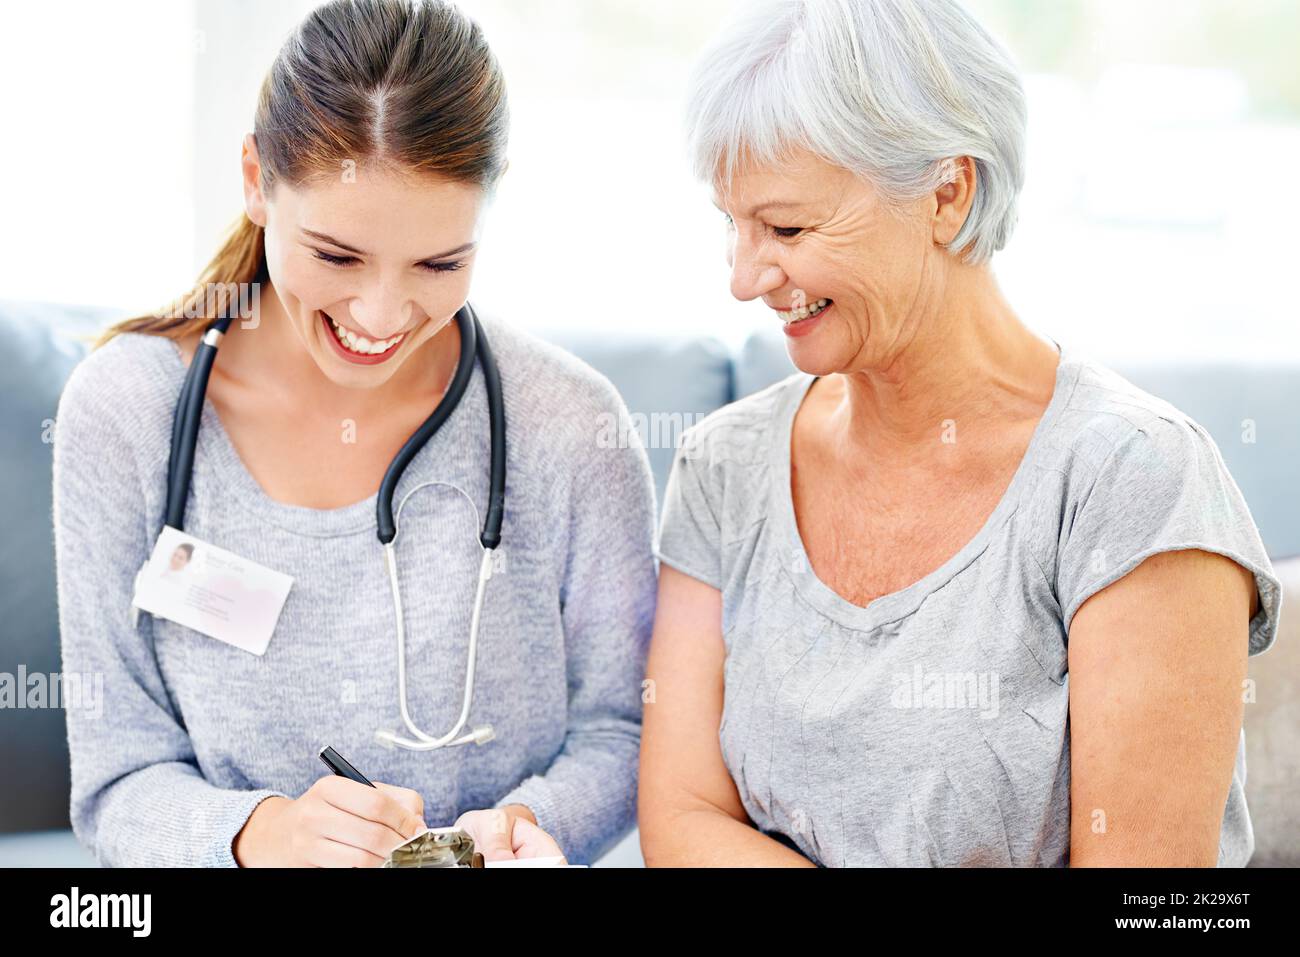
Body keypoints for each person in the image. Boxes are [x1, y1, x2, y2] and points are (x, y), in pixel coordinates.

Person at [639, 0, 1282, 867]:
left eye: (786, 227)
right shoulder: (723, 465)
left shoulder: (1132, 480)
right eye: (733, 223)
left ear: (948, 193)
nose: (745, 277)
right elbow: (679, 818)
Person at [53, 0, 656, 867]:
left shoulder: (570, 425)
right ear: (257, 180)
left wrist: (521, 825)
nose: (380, 315)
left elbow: (623, 726)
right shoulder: (126, 412)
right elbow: (118, 779)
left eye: (439, 264)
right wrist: (263, 835)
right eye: (336, 256)